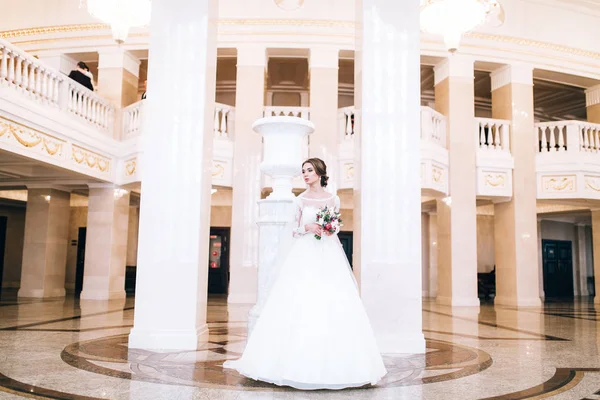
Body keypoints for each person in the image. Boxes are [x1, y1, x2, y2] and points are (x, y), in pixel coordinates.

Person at [224, 157, 387, 390]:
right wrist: (309, 227)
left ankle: (342, 366)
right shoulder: (299, 200)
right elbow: (293, 229)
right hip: (304, 252)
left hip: (329, 253)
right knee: (300, 299)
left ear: (320, 172)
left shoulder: (334, 198)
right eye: (303, 171)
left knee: (333, 301)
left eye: (309, 170)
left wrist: (331, 227)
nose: (306, 174)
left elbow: (336, 225)